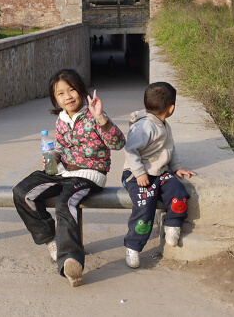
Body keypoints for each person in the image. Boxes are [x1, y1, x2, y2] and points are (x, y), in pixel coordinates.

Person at [13, 69, 125, 287]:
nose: (68, 97)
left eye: (71, 90)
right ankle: (49, 238)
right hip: (63, 172)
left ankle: (71, 261)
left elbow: (118, 143)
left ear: (81, 90)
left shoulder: (94, 115)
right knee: (22, 192)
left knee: (66, 202)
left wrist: (101, 117)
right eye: (61, 93)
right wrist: (53, 156)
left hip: (89, 174)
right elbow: (63, 148)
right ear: (56, 99)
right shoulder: (62, 120)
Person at [121, 81, 196, 269]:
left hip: (158, 172)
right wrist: (139, 173)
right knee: (145, 205)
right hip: (135, 173)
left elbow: (169, 148)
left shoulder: (163, 124)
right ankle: (133, 246)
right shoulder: (145, 126)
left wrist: (176, 166)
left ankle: (172, 224)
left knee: (177, 190)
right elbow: (130, 150)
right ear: (171, 108)